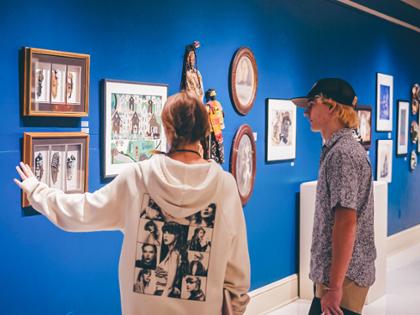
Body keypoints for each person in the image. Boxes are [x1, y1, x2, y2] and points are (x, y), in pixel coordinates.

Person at [14, 91, 250, 314]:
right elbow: (237, 278)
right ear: (204, 130)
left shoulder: (138, 177)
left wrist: (37, 191)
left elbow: (82, 212)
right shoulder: (225, 186)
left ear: (167, 129)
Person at [291, 78, 376, 315]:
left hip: (343, 278)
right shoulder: (340, 149)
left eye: (311, 105)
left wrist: (335, 287)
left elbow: (346, 222)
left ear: (331, 107)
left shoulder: (342, 155)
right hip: (338, 275)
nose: (306, 112)